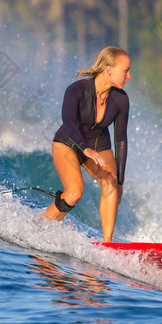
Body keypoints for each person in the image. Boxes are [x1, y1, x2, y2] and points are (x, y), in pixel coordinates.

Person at [42, 46, 131, 242]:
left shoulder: (121, 99)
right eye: (125, 70)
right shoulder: (77, 90)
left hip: (98, 145)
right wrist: (85, 148)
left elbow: (121, 140)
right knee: (74, 193)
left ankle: (107, 243)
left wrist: (121, 181)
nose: (129, 76)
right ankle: (42, 227)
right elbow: (67, 122)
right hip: (68, 142)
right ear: (109, 70)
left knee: (111, 183)